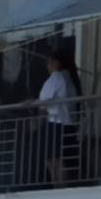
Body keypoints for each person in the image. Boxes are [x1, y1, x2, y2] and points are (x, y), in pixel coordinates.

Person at [36, 46, 82, 185]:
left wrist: (30, 103)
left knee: (53, 159)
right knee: (62, 158)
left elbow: (44, 103)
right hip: (69, 124)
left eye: (49, 62)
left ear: (57, 63)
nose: (48, 66)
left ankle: (57, 186)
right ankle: (62, 186)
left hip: (56, 124)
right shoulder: (70, 79)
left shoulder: (56, 77)